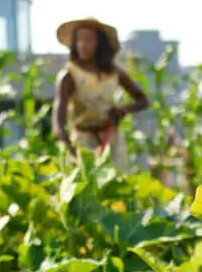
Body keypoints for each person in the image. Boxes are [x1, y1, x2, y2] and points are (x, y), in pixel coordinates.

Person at [52, 16, 149, 170]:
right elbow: (59, 122)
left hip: (111, 138)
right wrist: (71, 150)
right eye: (79, 40)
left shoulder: (114, 73)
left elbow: (143, 100)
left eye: (89, 40)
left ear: (100, 44)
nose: (83, 45)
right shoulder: (69, 75)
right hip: (83, 141)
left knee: (118, 184)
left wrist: (123, 110)